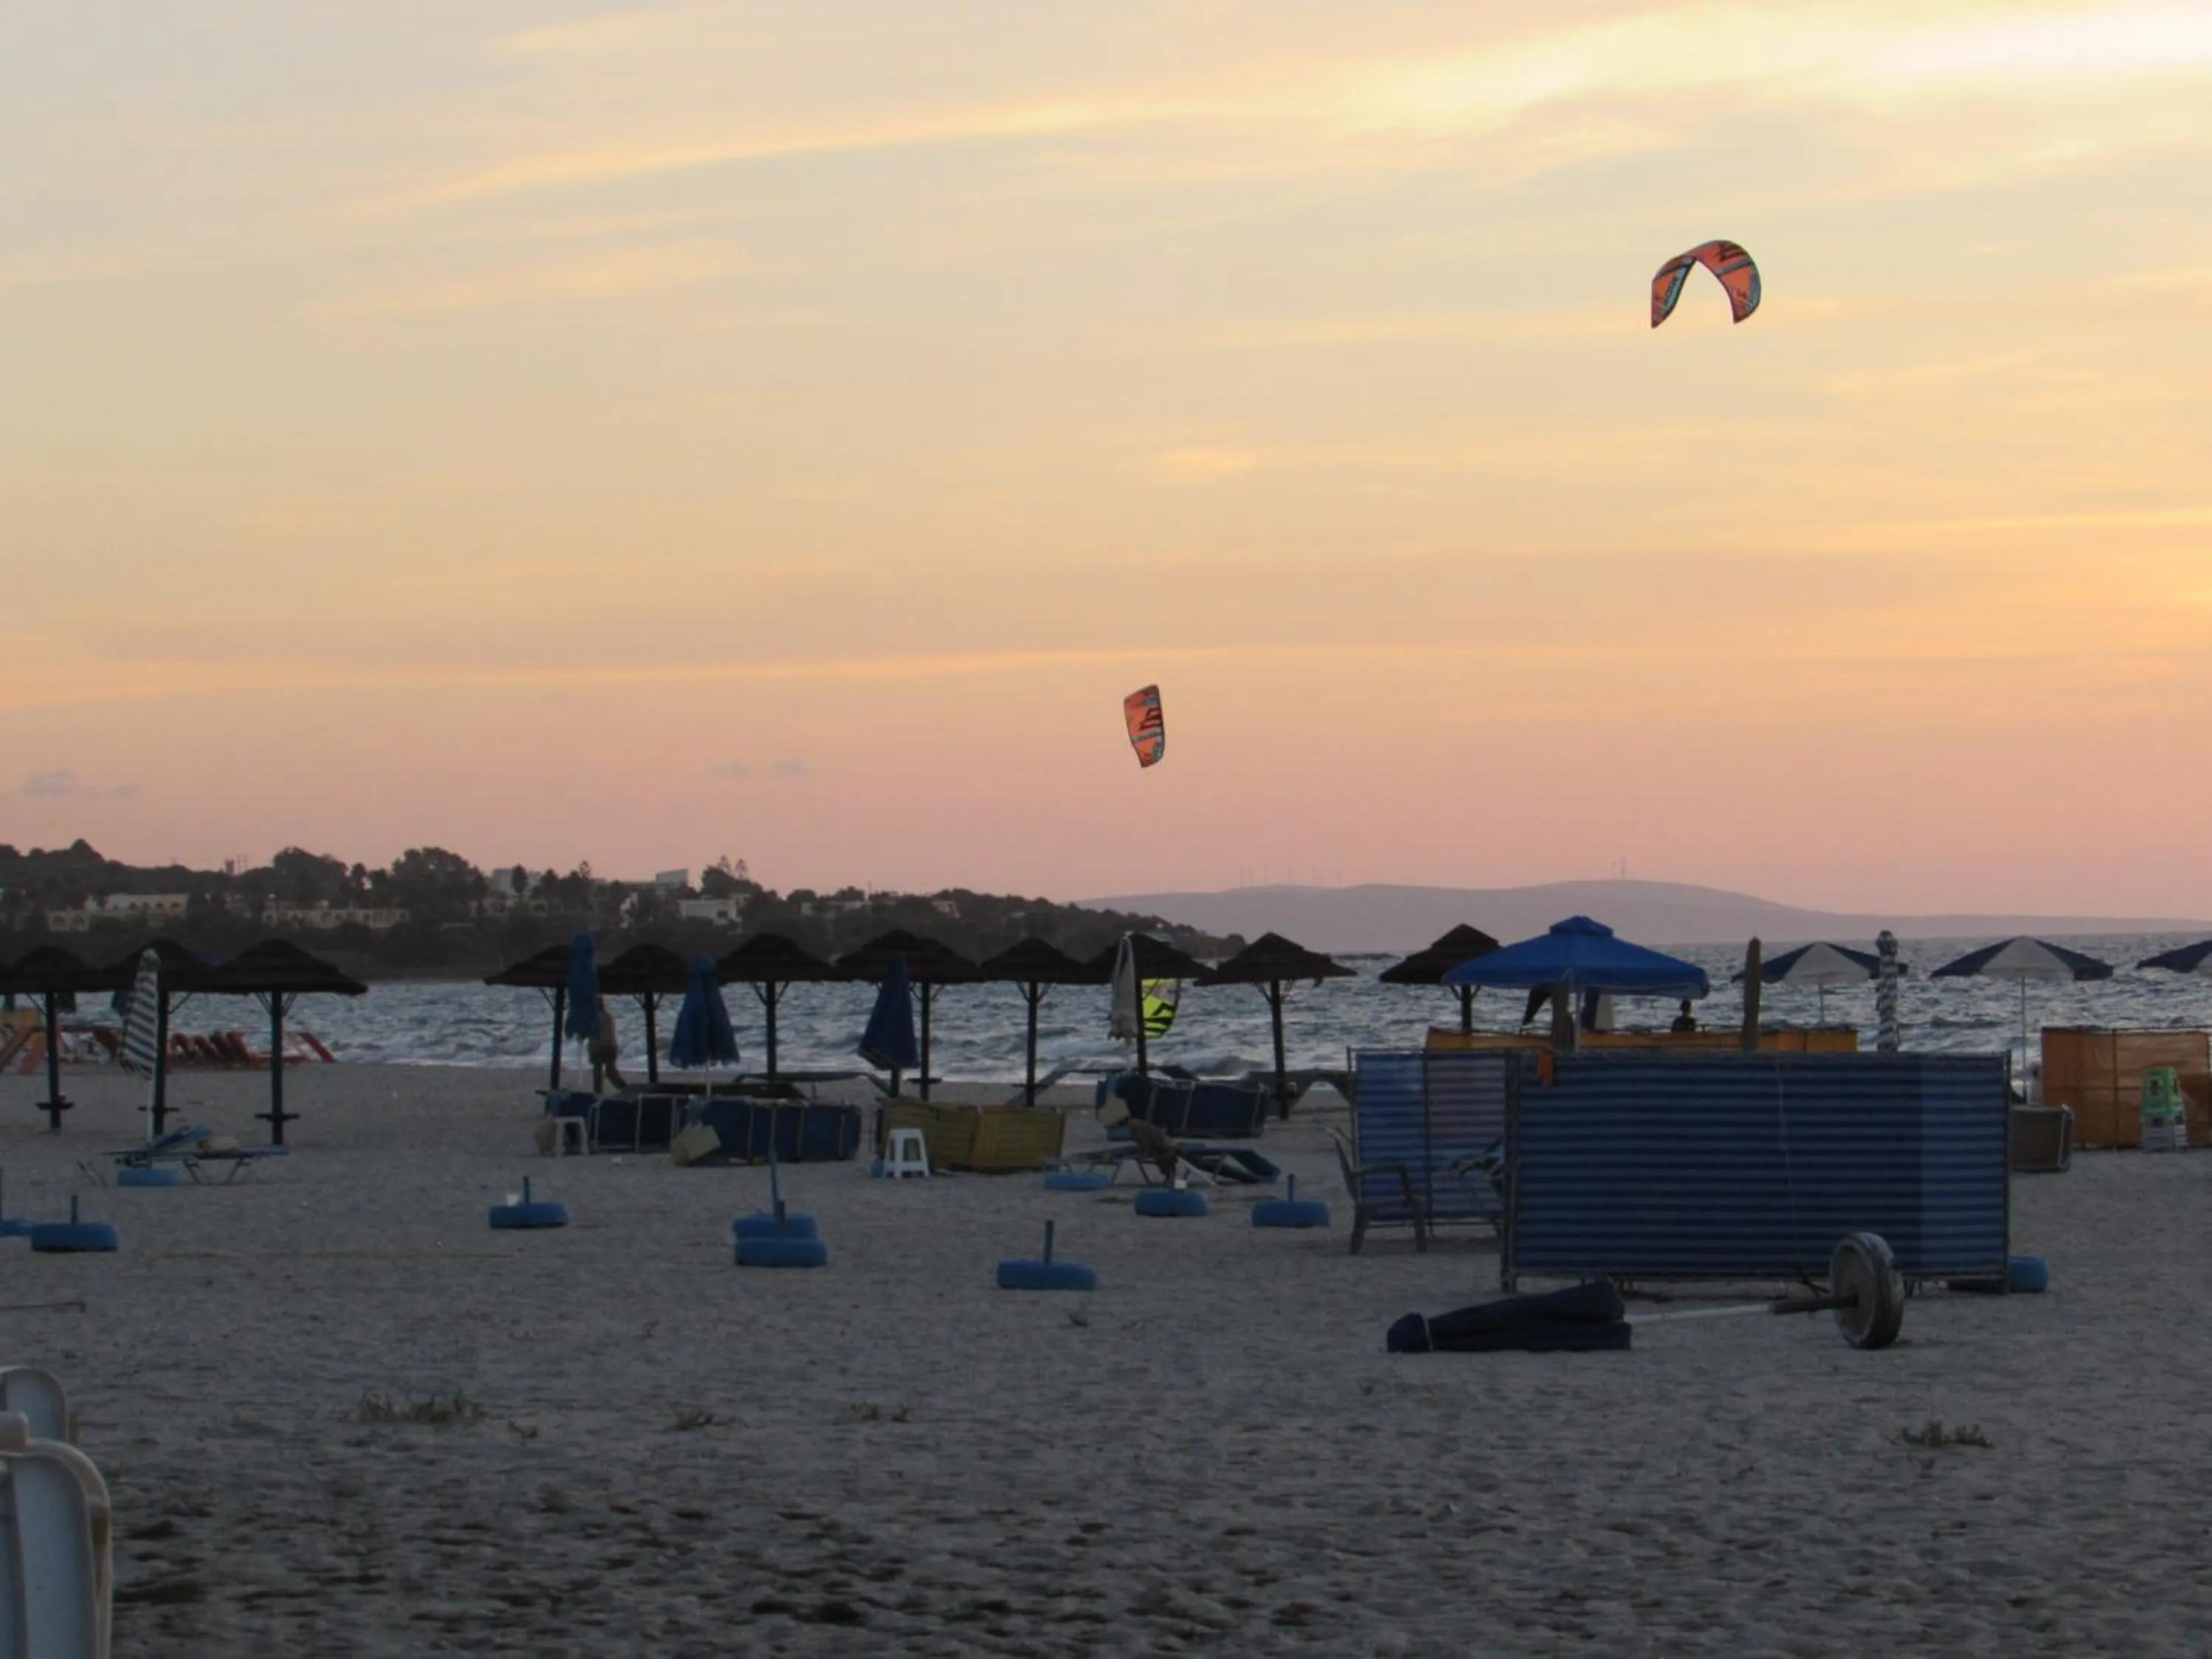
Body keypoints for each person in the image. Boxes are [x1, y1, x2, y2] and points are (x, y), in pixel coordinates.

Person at [589, 996, 627, 1091]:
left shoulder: (593, 1017)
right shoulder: (608, 1017)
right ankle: (624, 1088)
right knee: (611, 1072)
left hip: (598, 1048)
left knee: (597, 1072)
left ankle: (598, 1093)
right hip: (610, 1047)